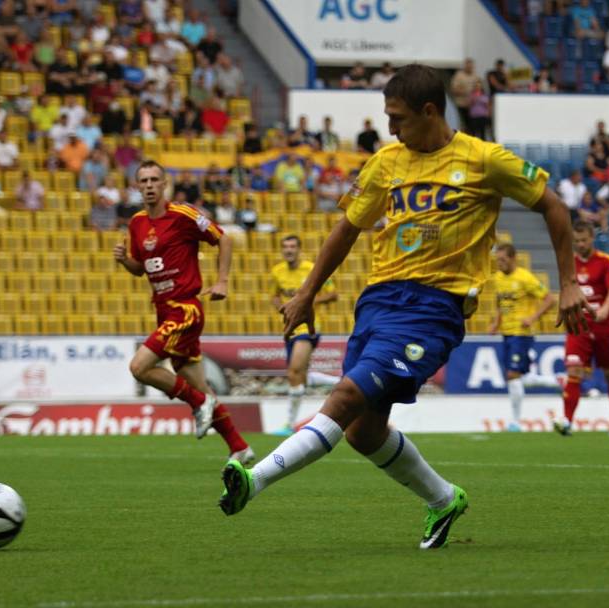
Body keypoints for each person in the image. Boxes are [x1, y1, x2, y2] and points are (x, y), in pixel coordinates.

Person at [217, 64, 589, 549]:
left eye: (398, 118)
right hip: (378, 303)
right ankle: (442, 499)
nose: (390, 128)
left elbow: (554, 207)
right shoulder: (386, 162)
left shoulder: (484, 160)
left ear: (430, 111)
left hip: (434, 310)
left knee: (347, 396)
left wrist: (567, 284)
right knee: (363, 433)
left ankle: (255, 479)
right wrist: (307, 291)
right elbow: (347, 227)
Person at [113, 160, 255, 464]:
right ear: (137, 187)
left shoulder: (182, 215)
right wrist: (125, 261)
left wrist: (222, 280)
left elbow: (223, 238)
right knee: (198, 385)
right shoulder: (137, 223)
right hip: (164, 312)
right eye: (144, 181)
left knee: (139, 367)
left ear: (165, 185)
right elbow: (141, 269)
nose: (149, 185)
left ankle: (197, 402)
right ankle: (239, 446)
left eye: (154, 180)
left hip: (186, 309)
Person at [555, 221, 609, 437]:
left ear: (592, 238)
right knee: (573, 371)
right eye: (576, 241)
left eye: (583, 240)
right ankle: (567, 421)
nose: (580, 244)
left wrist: (605, 309)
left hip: (605, 327)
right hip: (579, 326)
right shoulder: (569, 263)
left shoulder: (605, 261)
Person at [269, 235, 338, 436]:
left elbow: (333, 294)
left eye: (292, 246)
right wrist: (280, 307)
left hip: (308, 328)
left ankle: (290, 425)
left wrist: (309, 301)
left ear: (299, 249)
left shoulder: (311, 269)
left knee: (294, 371)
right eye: (285, 247)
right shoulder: (277, 271)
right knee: (299, 376)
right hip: (289, 329)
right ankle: (341, 382)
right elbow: (274, 295)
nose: (288, 250)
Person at [489, 243, 559, 432]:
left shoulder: (525, 278)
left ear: (513, 258)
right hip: (507, 332)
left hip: (522, 334)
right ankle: (558, 381)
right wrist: (496, 322)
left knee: (513, 374)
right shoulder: (497, 278)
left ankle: (516, 421)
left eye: (503, 260)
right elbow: (500, 302)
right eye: (498, 260)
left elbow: (550, 299)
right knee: (520, 376)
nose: (500, 264)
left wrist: (533, 317)